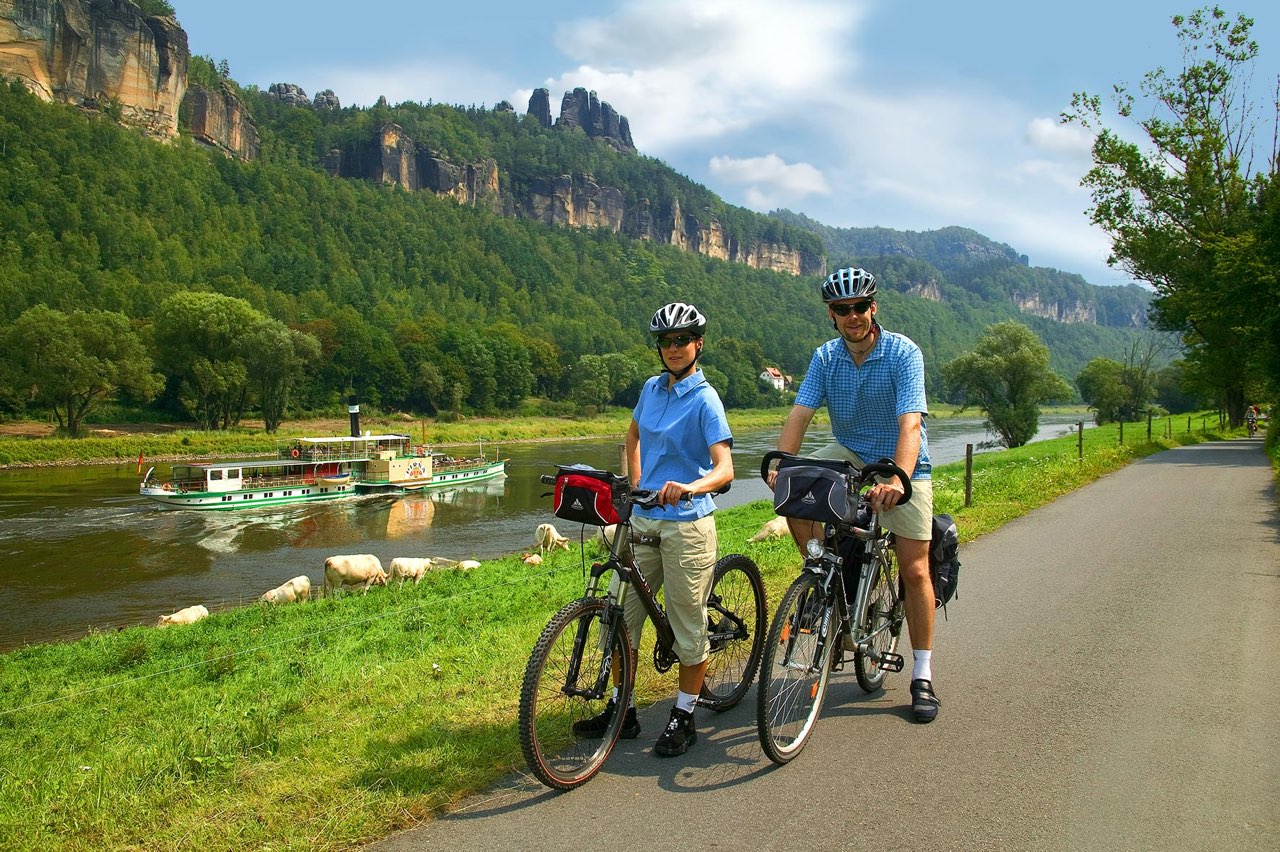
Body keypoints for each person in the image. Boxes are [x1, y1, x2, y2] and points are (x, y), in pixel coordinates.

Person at [769, 267, 941, 723]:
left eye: (860, 307)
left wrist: (899, 480)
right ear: (832, 314)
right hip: (849, 451)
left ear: (873, 308)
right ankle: (821, 576)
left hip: (901, 459)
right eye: (842, 309)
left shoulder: (903, 353)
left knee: (915, 568)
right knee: (795, 488)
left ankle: (922, 674)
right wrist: (782, 464)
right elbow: (800, 414)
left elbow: (910, 424)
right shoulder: (826, 357)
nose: (852, 316)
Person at [572, 301, 734, 756]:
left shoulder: (706, 399)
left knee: (687, 623)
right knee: (620, 618)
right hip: (644, 519)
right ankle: (622, 710)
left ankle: (684, 715)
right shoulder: (650, 388)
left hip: (687, 524)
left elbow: (725, 469)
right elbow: (633, 435)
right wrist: (636, 483)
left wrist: (690, 486)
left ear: (698, 344)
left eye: (682, 340)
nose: (673, 347)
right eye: (666, 341)